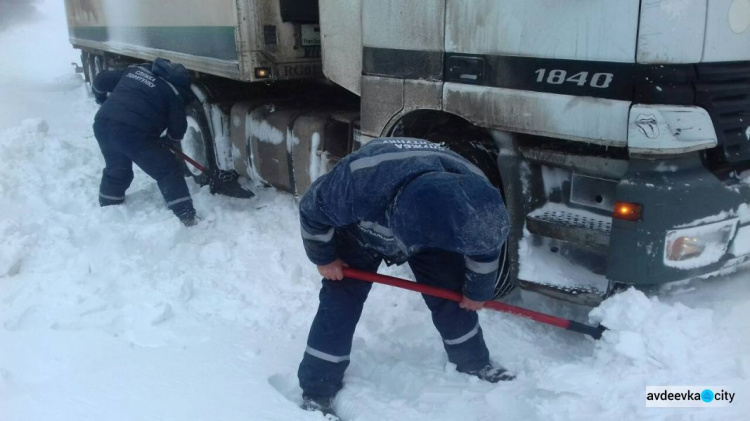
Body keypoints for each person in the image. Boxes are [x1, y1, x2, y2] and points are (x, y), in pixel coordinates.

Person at [297, 137, 513, 419]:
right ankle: (317, 389)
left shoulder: (474, 199)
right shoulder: (357, 182)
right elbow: (312, 211)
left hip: (432, 231)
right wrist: (325, 258)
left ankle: (473, 362)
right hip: (360, 229)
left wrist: (477, 291)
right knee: (341, 301)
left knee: (450, 294)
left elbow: (483, 246)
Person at [91, 58, 198, 226]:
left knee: (117, 168)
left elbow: (100, 80)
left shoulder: (133, 72)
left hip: (103, 124)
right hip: (132, 133)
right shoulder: (173, 93)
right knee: (167, 170)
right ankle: (186, 216)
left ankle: (108, 210)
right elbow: (178, 129)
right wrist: (167, 141)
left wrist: (101, 100)